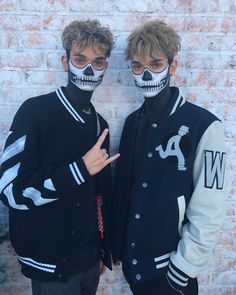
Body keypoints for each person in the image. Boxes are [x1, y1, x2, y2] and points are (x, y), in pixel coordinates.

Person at [0, 20, 119, 295]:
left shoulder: (100, 125)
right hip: (50, 266)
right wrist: (78, 170)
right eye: (80, 59)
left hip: (90, 263)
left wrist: (102, 249)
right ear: (65, 62)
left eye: (98, 62)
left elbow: (98, 195)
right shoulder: (35, 112)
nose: (88, 69)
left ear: (105, 68)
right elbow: (9, 189)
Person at [111, 20, 226, 295]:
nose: (146, 74)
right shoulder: (130, 123)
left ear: (172, 67)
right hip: (134, 269)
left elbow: (210, 208)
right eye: (138, 67)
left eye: (156, 64)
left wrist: (183, 268)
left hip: (173, 276)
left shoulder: (206, 126)